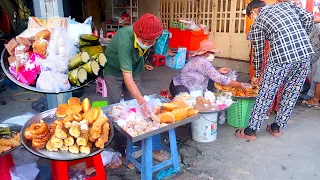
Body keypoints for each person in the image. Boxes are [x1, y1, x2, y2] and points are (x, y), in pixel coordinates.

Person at [236, 0, 314, 141]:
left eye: (250, 17)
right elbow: (309, 17)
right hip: (304, 54)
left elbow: (258, 52)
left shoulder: (258, 22)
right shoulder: (285, 5)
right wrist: (301, 37)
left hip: (281, 56)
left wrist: (257, 75)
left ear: (253, 12)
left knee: (266, 93)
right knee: (292, 92)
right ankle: (276, 127)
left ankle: (251, 130)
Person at [103, 13, 162, 154]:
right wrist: (142, 101)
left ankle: (135, 133)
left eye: (151, 42)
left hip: (133, 68)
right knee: (115, 106)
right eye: (146, 41)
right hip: (113, 70)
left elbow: (138, 54)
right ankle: (118, 141)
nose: (148, 44)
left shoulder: (145, 39)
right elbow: (127, 78)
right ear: (137, 33)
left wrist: (139, 101)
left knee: (133, 102)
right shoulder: (125, 39)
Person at [169, 39, 248, 97]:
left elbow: (206, 72)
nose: (213, 54)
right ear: (205, 52)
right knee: (187, 104)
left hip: (190, 86)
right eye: (212, 52)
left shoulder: (201, 59)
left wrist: (218, 71)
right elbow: (219, 78)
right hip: (179, 86)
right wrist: (239, 84)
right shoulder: (202, 61)